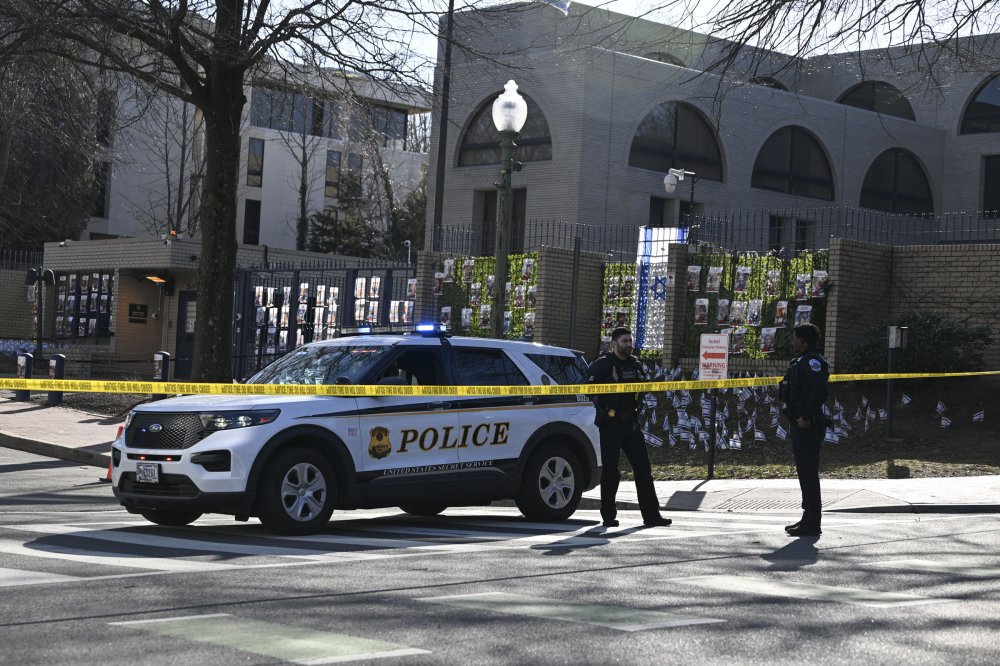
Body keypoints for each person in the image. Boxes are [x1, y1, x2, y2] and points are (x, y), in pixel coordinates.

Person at [584, 327, 671, 528]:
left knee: (643, 469)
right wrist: (606, 395)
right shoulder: (602, 365)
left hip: (630, 423)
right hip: (610, 424)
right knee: (611, 472)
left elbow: (644, 387)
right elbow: (587, 389)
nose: (629, 345)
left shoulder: (635, 364)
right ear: (614, 343)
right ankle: (608, 515)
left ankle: (651, 516)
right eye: (625, 341)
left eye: (630, 341)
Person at [780, 323, 830, 537]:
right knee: (805, 473)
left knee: (809, 474)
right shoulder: (802, 361)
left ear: (803, 340)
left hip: (807, 424)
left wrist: (806, 416)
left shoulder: (813, 362)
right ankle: (807, 518)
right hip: (799, 423)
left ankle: (812, 522)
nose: (793, 342)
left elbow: (819, 391)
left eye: (795, 338)